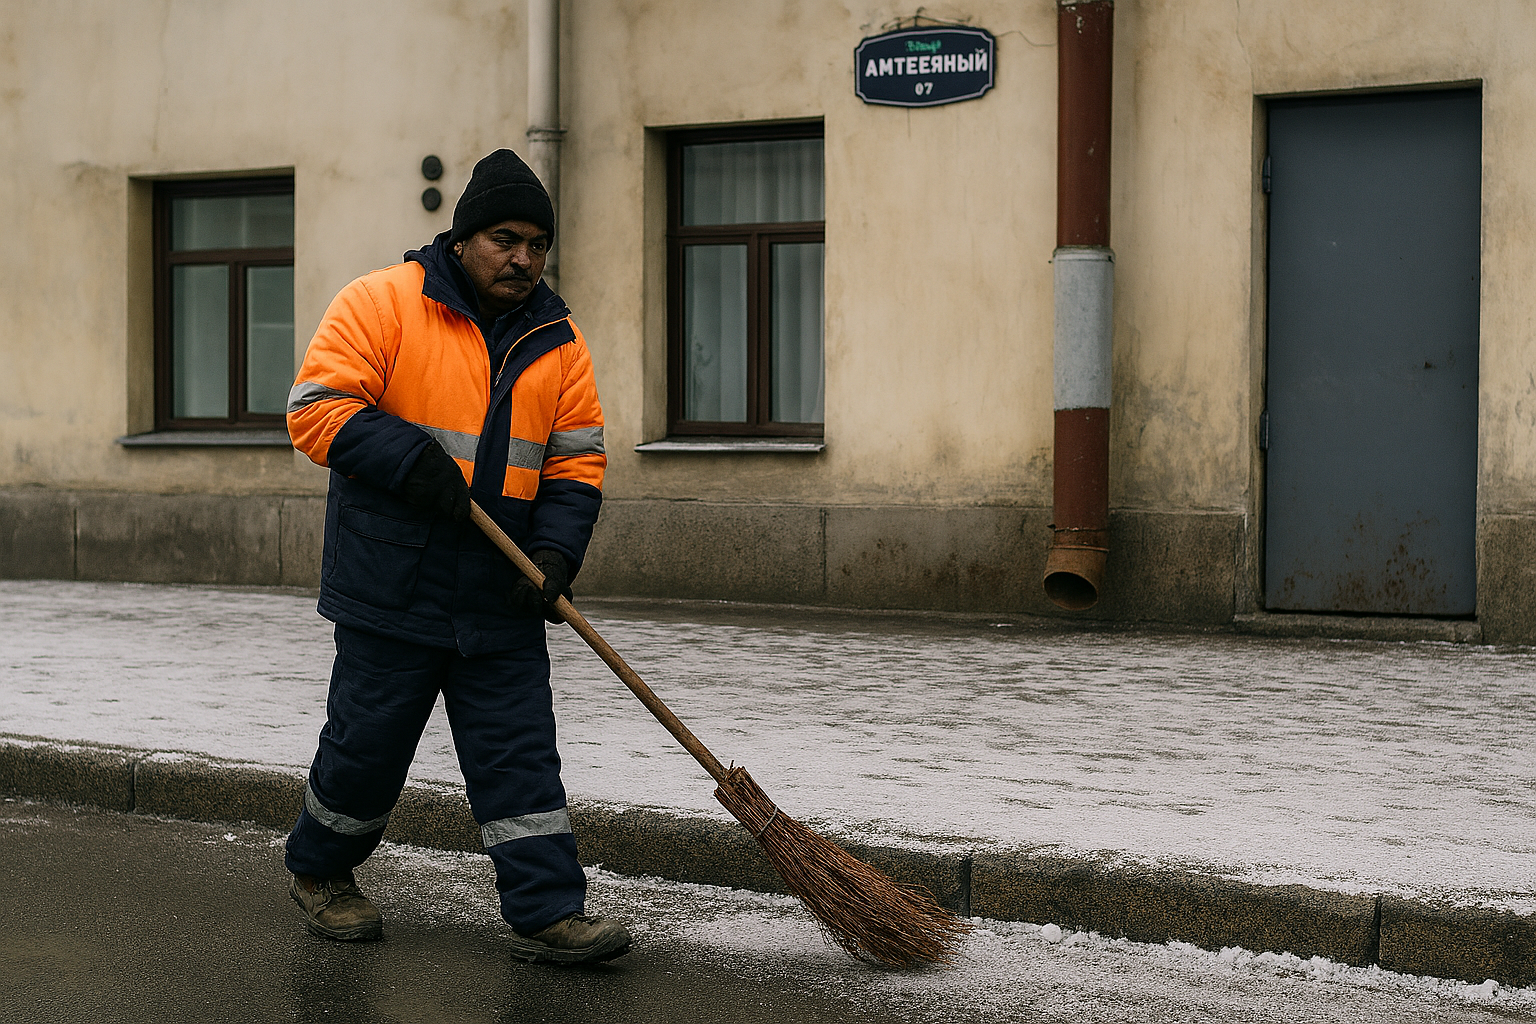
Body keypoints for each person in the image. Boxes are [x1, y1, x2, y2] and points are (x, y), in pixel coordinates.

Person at [282, 148, 629, 964]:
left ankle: (548, 911)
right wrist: (407, 458)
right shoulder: (383, 302)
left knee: (519, 761)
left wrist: (552, 554)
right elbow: (315, 409)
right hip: (391, 583)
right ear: (465, 237)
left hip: (499, 594)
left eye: (537, 244)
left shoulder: (558, 340)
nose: (523, 258)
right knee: (366, 751)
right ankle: (322, 873)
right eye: (505, 238)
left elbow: (576, 465)